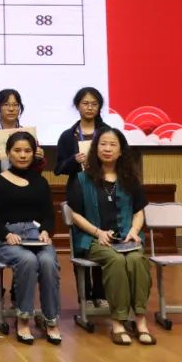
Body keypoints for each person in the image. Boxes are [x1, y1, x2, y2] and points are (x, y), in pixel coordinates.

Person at [66, 127, 155, 346]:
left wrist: (133, 231)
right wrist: (98, 232)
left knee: (137, 259)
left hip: (127, 238)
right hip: (95, 239)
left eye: (113, 144)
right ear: (95, 149)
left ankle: (140, 320)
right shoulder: (82, 179)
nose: (107, 149)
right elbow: (75, 214)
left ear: (121, 151)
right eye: (103, 144)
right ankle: (118, 322)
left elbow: (138, 211)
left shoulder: (130, 179)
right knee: (115, 260)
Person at [0, 131, 61, 345]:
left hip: (36, 236)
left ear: (34, 154)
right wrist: (6, 234)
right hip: (9, 237)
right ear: (8, 153)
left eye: (27, 151)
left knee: (47, 261)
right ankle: (23, 319)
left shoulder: (41, 182)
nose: (23, 155)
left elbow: (49, 216)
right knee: (27, 260)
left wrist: (46, 231)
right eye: (17, 150)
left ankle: (51, 320)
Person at [54, 86, 108, 305]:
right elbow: (58, 168)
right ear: (77, 106)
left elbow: (121, 159)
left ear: (99, 107)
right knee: (81, 243)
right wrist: (73, 161)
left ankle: (101, 294)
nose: (89, 107)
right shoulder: (68, 136)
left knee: (104, 240)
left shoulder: (108, 133)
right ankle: (84, 296)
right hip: (78, 192)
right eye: (85, 103)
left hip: (104, 190)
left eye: (94, 104)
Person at [0, 89, 46, 181]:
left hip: (26, 184)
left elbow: (37, 170)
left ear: (20, 108)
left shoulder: (28, 135)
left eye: (15, 105)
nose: (11, 109)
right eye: (6, 104)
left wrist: (39, 159)